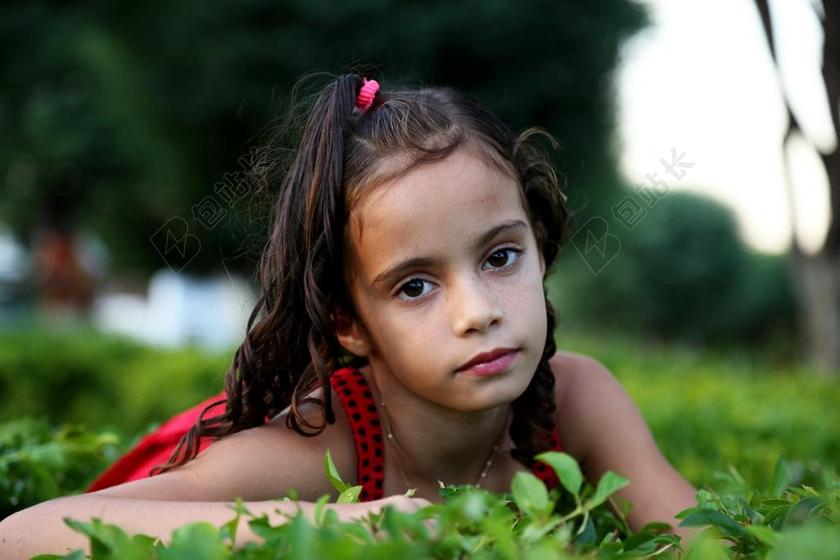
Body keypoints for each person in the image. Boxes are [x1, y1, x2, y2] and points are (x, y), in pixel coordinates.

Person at [0, 74, 700, 557]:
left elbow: (700, 539)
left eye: (499, 257)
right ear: (348, 320)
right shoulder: (326, 445)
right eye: (415, 287)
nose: (478, 313)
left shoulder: (576, 401)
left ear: (538, 244)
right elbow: (21, 536)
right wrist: (335, 526)